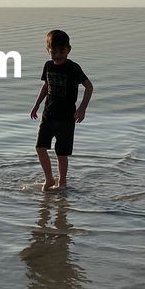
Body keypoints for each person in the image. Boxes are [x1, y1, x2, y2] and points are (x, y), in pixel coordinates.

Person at [29, 29, 93, 191]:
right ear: (48, 51)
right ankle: (49, 179)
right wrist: (36, 105)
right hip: (48, 115)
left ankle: (62, 182)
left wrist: (82, 108)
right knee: (40, 148)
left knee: (61, 153)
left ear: (68, 49)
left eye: (61, 51)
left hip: (66, 118)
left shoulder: (73, 68)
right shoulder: (48, 66)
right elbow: (46, 86)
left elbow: (89, 87)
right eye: (53, 52)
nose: (57, 55)